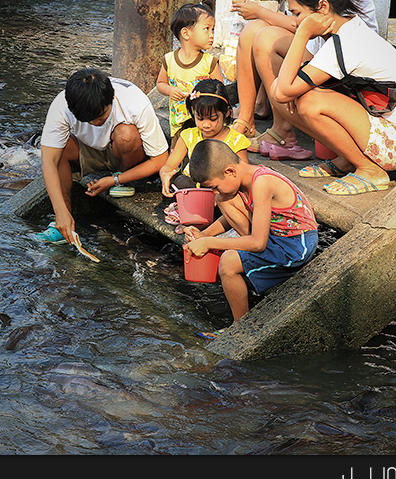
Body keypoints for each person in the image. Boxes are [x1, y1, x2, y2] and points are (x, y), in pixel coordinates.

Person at [266, 0, 396, 195]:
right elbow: (285, 86)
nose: (295, 22)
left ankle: (369, 170)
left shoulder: (346, 42)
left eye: (298, 14)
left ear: (322, 8)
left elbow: (283, 92)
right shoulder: (346, 28)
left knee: (309, 102)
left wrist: (302, 34)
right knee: (291, 90)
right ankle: (348, 160)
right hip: (385, 130)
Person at [231, 0, 376, 161]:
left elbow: (303, 26)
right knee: (252, 31)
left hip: (344, 59)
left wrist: (259, 10)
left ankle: (283, 130)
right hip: (322, 45)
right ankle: (246, 121)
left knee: (265, 37)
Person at [182, 139, 318, 324]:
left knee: (228, 263)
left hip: (295, 245)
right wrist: (204, 234)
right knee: (225, 199)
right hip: (275, 235)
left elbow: (258, 243)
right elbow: (232, 217)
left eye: (214, 186)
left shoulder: (262, 183)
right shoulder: (245, 179)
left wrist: (209, 243)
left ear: (230, 171)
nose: (214, 192)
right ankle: (241, 248)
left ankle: (241, 328)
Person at [36, 68, 169, 244]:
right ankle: (63, 223)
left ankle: (122, 178)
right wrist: (60, 212)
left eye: (100, 117)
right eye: (87, 120)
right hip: (87, 150)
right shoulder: (62, 105)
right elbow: (49, 162)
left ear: (112, 96)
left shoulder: (134, 102)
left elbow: (160, 159)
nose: (95, 123)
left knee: (126, 135)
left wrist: (115, 180)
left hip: (124, 155)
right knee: (57, 149)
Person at [159, 79, 250, 224]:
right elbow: (169, 166)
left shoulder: (236, 140)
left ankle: (195, 217)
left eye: (213, 118)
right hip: (193, 190)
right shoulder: (188, 135)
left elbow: (244, 178)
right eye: (200, 118)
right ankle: (192, 214)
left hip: (222, 193)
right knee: (182, 181)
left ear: (226, 112)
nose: (206, 125)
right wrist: (164, 174)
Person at [154, 0, 221, 144]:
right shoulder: (169, 59)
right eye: (207, 29)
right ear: (186, 33)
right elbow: (160, 83)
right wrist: (170, 90)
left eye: (213, 29)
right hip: (178, 121)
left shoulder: (209, 62)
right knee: (179, 150)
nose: (212, 34)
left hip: (205, 121)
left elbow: (219, 91)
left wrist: (202, 93)